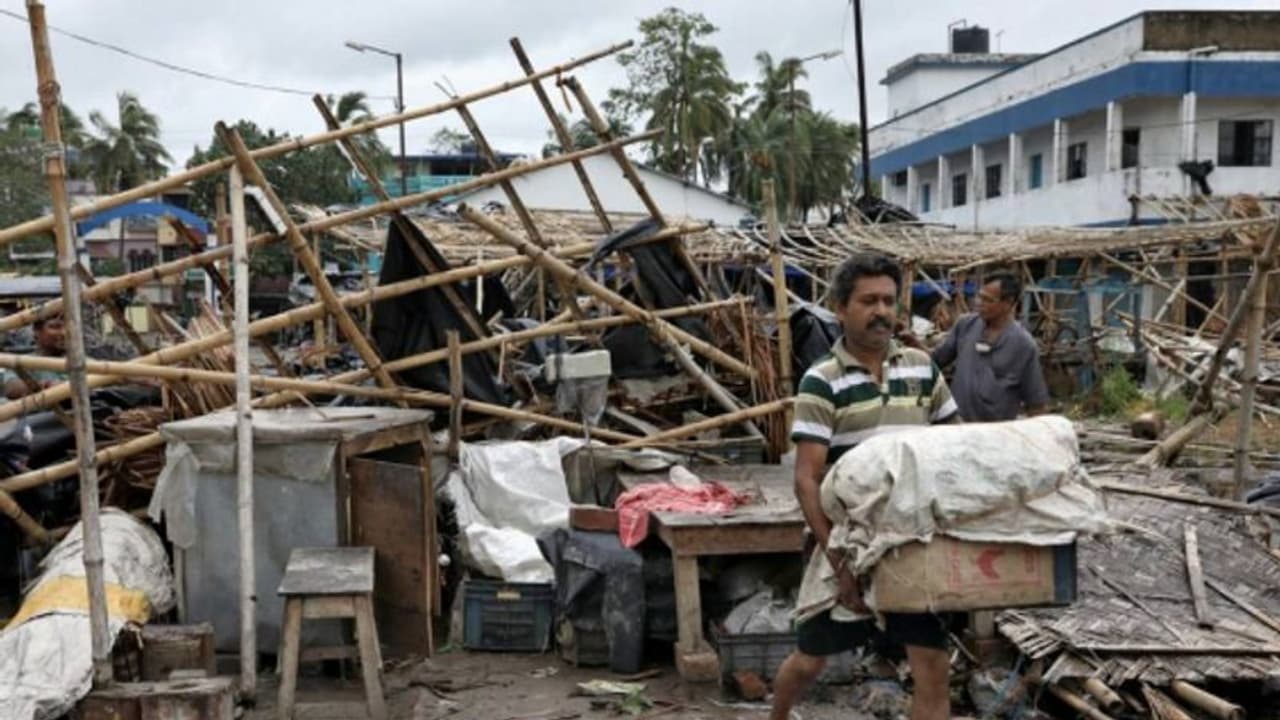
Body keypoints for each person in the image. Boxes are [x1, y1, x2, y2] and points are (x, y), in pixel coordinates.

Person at [773, 254, 959, 720]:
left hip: (914, 544)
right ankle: (776, 716)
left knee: (932, 668)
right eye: (868, 301)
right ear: (840, 308)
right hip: (847, 544)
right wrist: (840, 565)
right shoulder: (823, 380)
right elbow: (806, 480)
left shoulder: (922, 368)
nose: (881, 311)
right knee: (810, 659)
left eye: (889, 301)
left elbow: (957, 447)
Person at [930, 272, 1049, 421]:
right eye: (979, 296)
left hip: (995, 435)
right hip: (956, 427)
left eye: (987, 300)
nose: (979, 302)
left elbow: (1036, 404)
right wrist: (913, 344)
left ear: (1008, 303)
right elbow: (934, 362)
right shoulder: (965, 325)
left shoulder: (1023, 345)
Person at [3, 315, 67, 399]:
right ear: (37, 331)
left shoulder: (84, 362)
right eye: (55, 327)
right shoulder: (23, 363)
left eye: (68, 327)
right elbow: (12, 389)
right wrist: (42, 387)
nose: (63, 333)